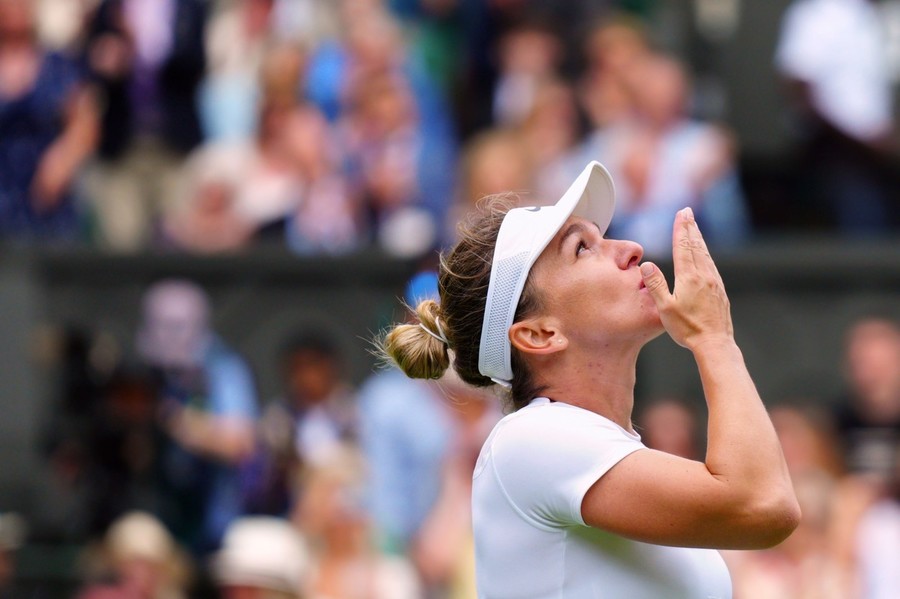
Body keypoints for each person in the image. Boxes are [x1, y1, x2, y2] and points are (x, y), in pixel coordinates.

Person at [380, 161, 800, 597]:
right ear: (540, 334)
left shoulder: (595, 449)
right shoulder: (532, 438)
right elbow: (763, 504)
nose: (632, 248)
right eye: (582, 248)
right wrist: (714, 339)